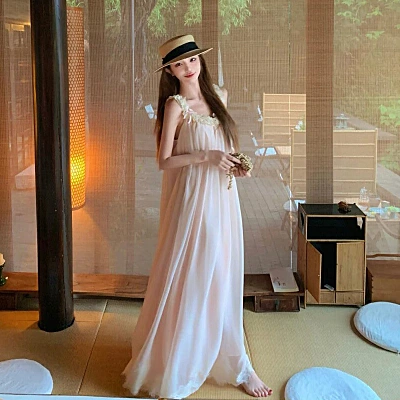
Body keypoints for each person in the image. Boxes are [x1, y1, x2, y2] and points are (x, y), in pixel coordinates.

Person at [123, 34, 272, 399]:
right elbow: (164, 161)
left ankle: (234, 361)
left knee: (221, 269)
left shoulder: (219, 95)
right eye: (179, 64)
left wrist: (237, 165)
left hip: (222, 196)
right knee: (193, 268)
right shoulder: (175, 105)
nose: (188, 68)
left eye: (192, 60)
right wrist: (206, 157)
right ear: (170, 72)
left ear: (200, 61)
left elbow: (226, 145)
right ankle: (181, 357)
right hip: (192, 199)